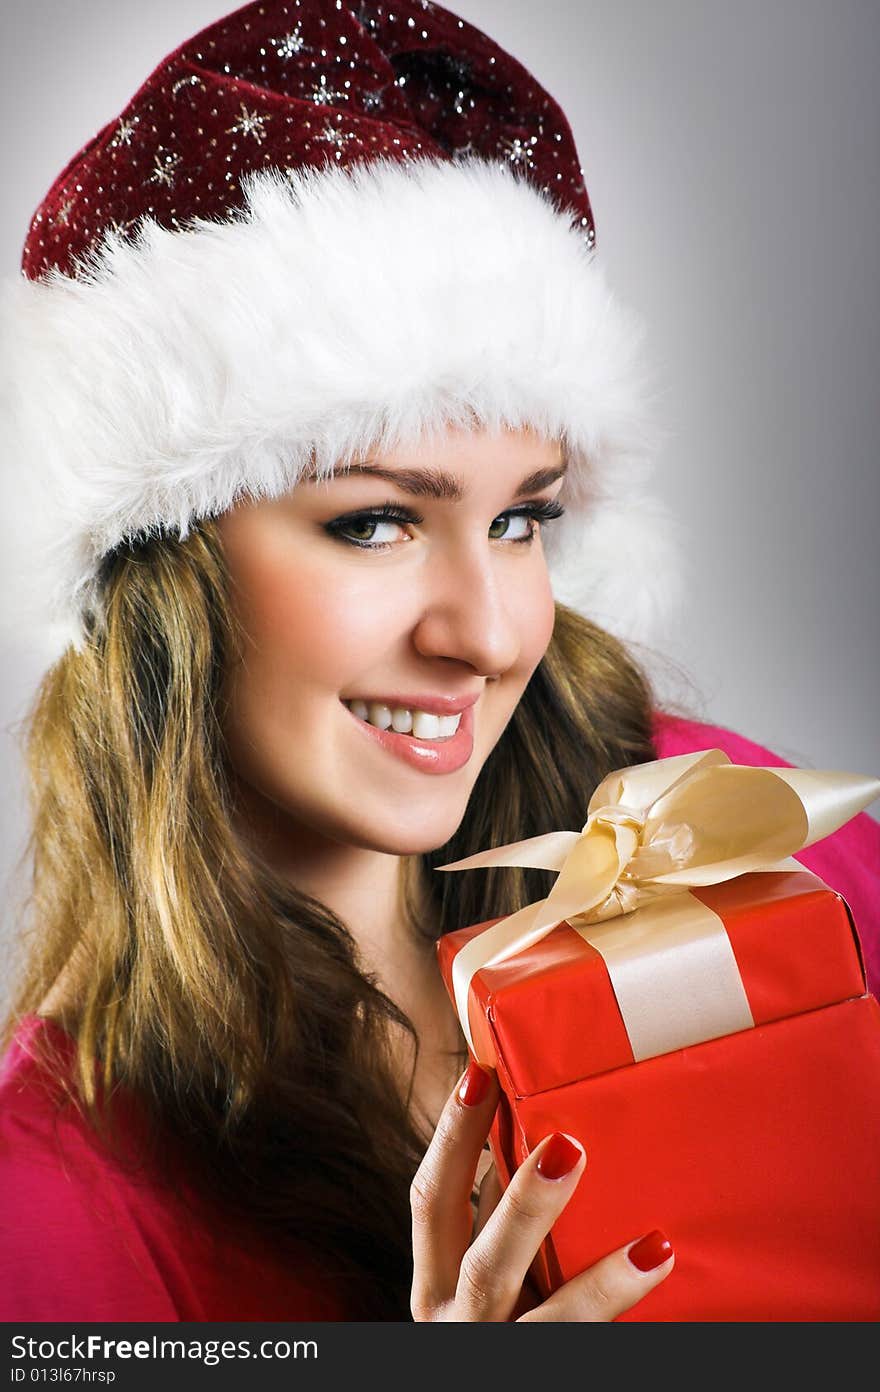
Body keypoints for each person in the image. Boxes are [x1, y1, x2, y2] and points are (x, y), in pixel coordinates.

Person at [1, 0, 877, 1323]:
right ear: (151, 574)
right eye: (376, 521)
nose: (491, 631)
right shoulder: (55, 1215)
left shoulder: (733, 833)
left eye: (522, 516)